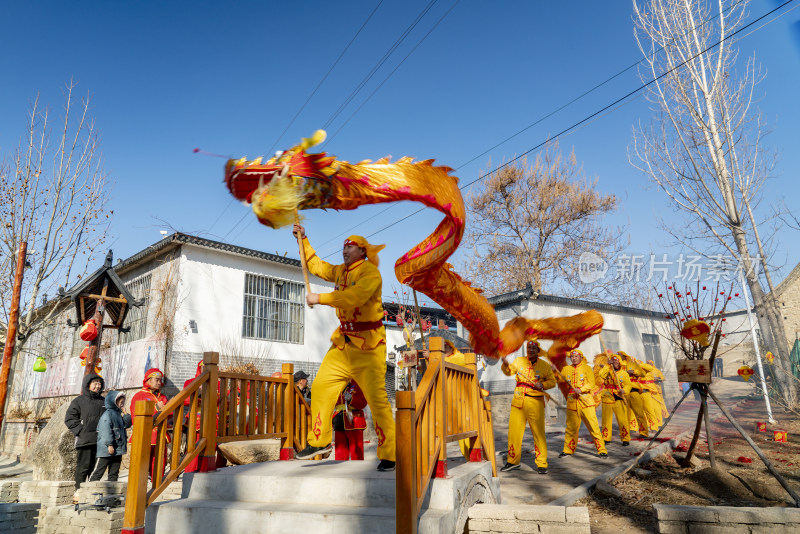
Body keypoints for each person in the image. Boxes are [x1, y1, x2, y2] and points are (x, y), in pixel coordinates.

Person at [292, 224, 396, 472]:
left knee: (377, 400)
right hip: (344, 342)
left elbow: (354, 298)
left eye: (349, 247)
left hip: (369, 346)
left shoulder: (371, 274)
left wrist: (321, 298)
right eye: (343, 247)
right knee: (320, 387)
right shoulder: (340, 271)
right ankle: (318, 441)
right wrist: (304, 239)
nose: (344, 251)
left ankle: (390, 453)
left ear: (362, 250)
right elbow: (316, 265)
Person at [500, 340, 556, 474]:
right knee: (514, 433)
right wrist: (506, 364)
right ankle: (512, 461)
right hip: (518, 401)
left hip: (535, 402)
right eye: (528, 348)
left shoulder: (544, 366)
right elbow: (509, 372)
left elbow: (552, 381)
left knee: (538, 434)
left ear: (538, 350)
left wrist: (542, 385)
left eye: (533, 348)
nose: (530, 350)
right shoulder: (519, 361)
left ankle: (542, 463)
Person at [554, 350, 608, 458]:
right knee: (571, 428)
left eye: (576, 356)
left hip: (586, 401)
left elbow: (591, 383)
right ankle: (568, 450)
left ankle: (602, 450)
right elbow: (559, 379)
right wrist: (554, 372)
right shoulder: (566, 369)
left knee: (593, 427)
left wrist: (581, 389)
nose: (573, 358)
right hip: (572, 401)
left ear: (581, 357)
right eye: (572, 357)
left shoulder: (586, 368)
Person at [64, 373, 106, 489]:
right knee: (83, 468)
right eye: (95, 383)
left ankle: (90, 493)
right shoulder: (79, 401)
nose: (97, 386)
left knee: (95, 470)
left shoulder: (104, 401)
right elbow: (69, 418)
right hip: (85, 440)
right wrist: (81, 430)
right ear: (87, 385)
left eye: (99, 383)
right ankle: (78, 493)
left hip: (100, 441)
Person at [130, 368, 169, 478]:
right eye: (156, 380)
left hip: (161, 435)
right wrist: (157, 408)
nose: (159, 383)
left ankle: (157, 485)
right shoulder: (139, 396)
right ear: (148, 380)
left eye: (160, 380)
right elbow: (136, 418)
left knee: (159, 463)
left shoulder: (163, 397)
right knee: (141, 466)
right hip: (145, 435)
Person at [90, 391, 132, 481]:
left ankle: (112, 492)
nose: (122, 404)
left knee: (114, 472)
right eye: (120, 402)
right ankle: (89, 488)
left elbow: (127, 424)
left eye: (123, 402)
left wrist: (126, 414)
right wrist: (109, 444)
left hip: (118, 448)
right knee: (99, 470)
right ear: (113, 402)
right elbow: (105, 431)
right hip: (107, 449)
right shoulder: (107, 414)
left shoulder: (118, 414)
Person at [618, 351, 657, 437]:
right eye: (618, 357)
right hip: (624, 392)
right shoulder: (617, 367)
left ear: (625, 356)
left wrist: (635, 370)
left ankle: (649, 429)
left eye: (621, 356)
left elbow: (644, 372)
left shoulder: (634, 364)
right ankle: (630, 429)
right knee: (626, 414)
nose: (619, 358)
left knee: (644, 411)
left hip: (638, 391)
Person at [597, 354, 632, 446]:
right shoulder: (608, 370)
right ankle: (606, 438)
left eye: (617, 361)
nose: (615, 363)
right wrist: (608, 365)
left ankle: (625, 439)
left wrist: (624, 390)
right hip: (607, 396)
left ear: (620, 362)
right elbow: (601, 374)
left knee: (622, 419)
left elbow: (628, 385)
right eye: (613, 361)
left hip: (619, 397)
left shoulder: (624, 373)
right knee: (606, 419)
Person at [332, 380, 368, 460]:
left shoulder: (358, 383)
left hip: (354, 422)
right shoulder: (335, 384)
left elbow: (363, 402)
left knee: (357, 456)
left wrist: (352, 399)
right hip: (338, 421)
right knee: (340, 456)